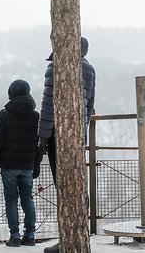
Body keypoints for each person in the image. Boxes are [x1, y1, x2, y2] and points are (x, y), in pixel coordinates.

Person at [38, 37, 96, 253]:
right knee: (77, 185)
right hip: (76, 137)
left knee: (63, 187)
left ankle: (67, 240)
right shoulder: (89, 69)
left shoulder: (57, 66)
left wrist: (42, 138)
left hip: (56, 135)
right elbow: (89, 106)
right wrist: (82, 136)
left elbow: (47, 104)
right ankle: (80, 235)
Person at [0, 79, 40, 247]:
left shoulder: (4, 115)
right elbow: (38, 144)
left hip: (9, 165)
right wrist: (36, 164)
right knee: (28, 199)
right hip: (27, 165)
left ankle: (15, 236)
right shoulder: (35, 116)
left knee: (11, 200)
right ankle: (31, 235)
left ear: (11, 94)